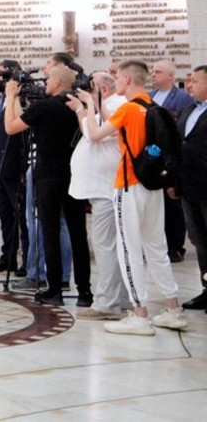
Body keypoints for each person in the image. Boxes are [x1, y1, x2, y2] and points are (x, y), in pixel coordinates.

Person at [69, 60, 187, 335]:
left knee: (128, 249)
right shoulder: (152, 107)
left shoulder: (128, 109)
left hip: (129, 184)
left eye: (118, 78)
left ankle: (140, 314)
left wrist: (86, 105)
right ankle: (173, 309)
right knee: (156, 248)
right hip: (152, 185)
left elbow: (95, 135)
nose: (116, 82)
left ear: (127, 81)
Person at [5, 65, 90, 307]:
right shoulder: (78, 106)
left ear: (55, 84)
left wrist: (11, 97)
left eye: (49, 80)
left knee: (50, 231)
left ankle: (54, 289)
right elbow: (26, 118)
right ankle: (84, 291)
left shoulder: (44, 106)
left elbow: (11, 127)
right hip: (74, 174)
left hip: (48, 175)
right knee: (78, 232)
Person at [69, 72, 131, 320]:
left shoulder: (117, 104)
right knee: (109, 245)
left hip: (109, 187)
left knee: (106, 245)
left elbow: (96, 134)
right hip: (102, 188)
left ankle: (107, 303)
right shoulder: (106, 105)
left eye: (92, 83)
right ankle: (121, 298)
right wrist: (83, 109)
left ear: (102, 88)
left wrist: (87, 106)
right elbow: (89, 130)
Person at [0, 64, 28, 275]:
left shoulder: (21, 100)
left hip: (14, 166)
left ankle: (27, 259)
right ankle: (7, 255)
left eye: (2, 73)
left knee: (21, 215)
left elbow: (22, 135)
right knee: (5, 215)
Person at [150, 58, 195, 263]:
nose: (153, 75)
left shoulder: (182, 99)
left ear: (170, 75)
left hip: (171, 155)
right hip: (152, 156)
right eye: (152, 71)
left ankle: (175, 245)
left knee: (173, 205)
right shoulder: (149, 97)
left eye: (158, 71)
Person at [177, 65, 207, 311]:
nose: (189, 85)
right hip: (189, 185)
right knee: (200, 240)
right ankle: (206, 289)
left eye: (195, 81)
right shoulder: (189, 109)